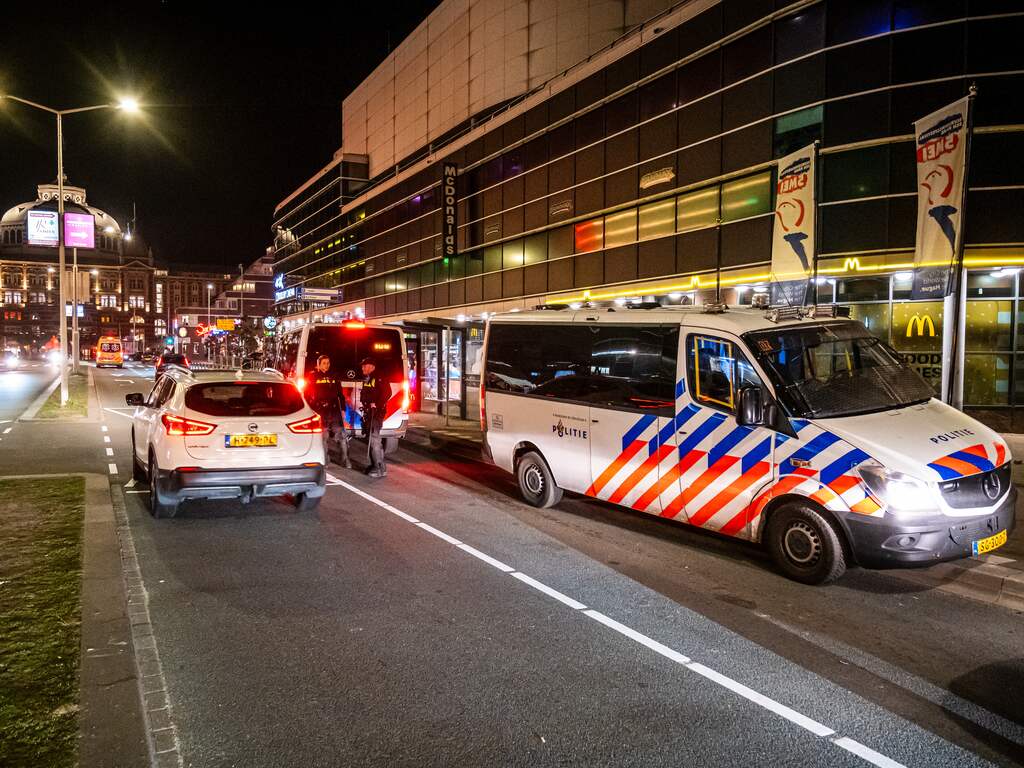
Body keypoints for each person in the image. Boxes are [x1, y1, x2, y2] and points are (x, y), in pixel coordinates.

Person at [307, 354, 351, 469]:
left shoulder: (334, 376)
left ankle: (345, 460)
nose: (326, 365)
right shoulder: (312, 377)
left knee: (341, 436)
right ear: (318, 364)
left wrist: (342, 410)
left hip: (334, 410)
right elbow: (307, 395)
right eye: (324, 363)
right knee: (323, 436)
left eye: (328, 363)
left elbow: (340, 395)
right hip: (320, 411)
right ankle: (325, 460)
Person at [359, 357, 390, 478]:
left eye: (364, 366)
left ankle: (378, 467)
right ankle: (378, 466)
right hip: (369, 412)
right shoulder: (368, 379)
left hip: (376, 413)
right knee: (373, 439)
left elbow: (387, 393)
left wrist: (376, 404)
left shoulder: (379, 377)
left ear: (371, 366)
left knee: (374, 439)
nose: (362, 368)